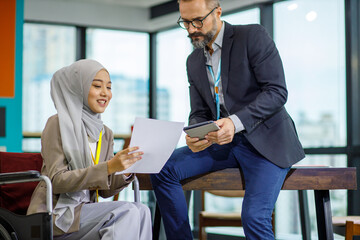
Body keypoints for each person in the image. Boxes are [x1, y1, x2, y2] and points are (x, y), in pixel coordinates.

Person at [150, 0, 305, 239]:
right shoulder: (193, 61)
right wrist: (196, 134)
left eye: (198, 21)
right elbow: (200, 111)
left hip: (267, 143)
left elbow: (276, 92)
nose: (192, 29)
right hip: (222, 143)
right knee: (162, 168)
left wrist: (235, 122)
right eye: (185, 22)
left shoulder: (252, 36)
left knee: (254, 217)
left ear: (218, 12)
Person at [27, 59, 152, 240]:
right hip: (55, 214)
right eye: (97, 86)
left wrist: (125, 170)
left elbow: (106, 191)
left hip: (85, 212)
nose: (105, 93)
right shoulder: (57, 123)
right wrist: (109, 167)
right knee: (126, 211)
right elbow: (57, 181)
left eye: (109, 87)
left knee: (142, 211)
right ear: (78, 88)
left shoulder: (105, 133)